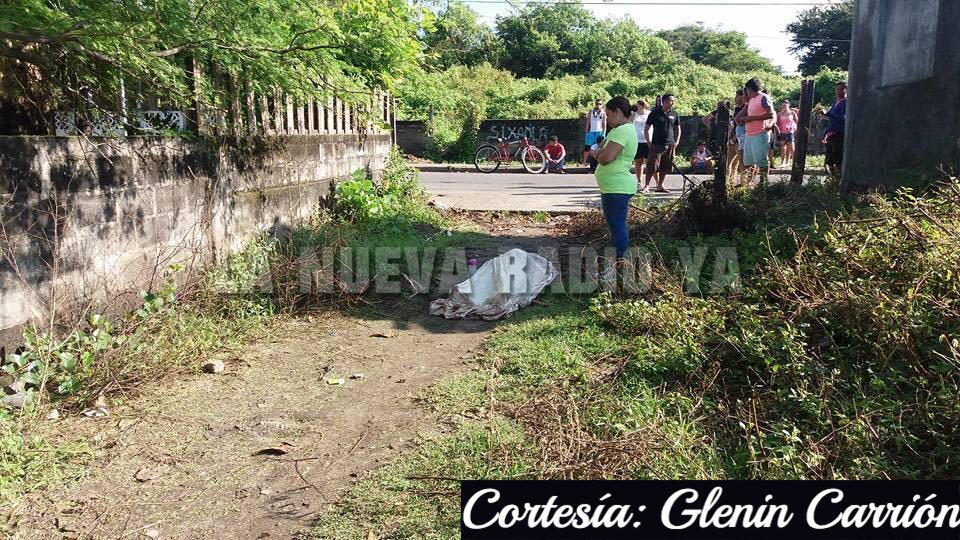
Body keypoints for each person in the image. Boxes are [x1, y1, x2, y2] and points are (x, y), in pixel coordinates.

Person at [594, 96, 638, 266]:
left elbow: (605, 157)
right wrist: (599, 151)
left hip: (617, 187)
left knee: (617, 225)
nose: (607, 119)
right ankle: (620, 261)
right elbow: (600, 148)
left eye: (608, 114)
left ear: (618, 112)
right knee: (615, 225)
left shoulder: (622, 130)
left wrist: (598, 153)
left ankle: (621, 262)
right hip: (612, 187)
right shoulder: (618, 129)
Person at [738, 78, 775, 186]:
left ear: (749, 88)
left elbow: (771, 114)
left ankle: (764, 183)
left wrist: (751, 118)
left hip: (760, 133)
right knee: (748, 162)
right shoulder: (752, 100)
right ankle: (749, 184)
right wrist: (744, 119)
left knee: (761, 160)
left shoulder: (763, 98)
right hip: (749, 134)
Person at [643, 93, 681, 193]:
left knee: (665, 166)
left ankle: (660, 185)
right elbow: (646, 128)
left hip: (670, 144)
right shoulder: (655, 113)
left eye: (673, 101)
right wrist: (648, 142)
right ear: (664, 101)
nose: (672, 103)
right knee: (652, 165)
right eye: (671, 101)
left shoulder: (674, 113)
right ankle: (646, 186)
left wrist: (676, 141)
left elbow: (678, 128)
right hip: (656, 144)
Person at [821, 81, 847, 178]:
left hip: (839, 134)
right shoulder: (835, 102)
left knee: (838, 160)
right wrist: (826, 132)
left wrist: (827, 113)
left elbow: (843, 117)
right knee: (829, 161)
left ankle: (839, 181)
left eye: (841, 89)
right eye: (837, 89)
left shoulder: (846, 102)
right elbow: (832, 118)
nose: (838, 91)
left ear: (846, 90)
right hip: (831, 133)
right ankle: (834, 180)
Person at [631, 99, 650, 188]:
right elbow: (630, 123)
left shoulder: (649, 114)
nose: (637, 107)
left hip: (648, 141)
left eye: (638, 105)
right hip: (637, 141)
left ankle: (650, 183)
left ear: (643, 106)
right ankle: (639, 181)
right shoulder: (634, 114)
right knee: (638, 162)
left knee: (649, 162)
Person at [583, 99, 607, 163]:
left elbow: (604, 123)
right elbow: (588, 122)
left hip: (599, 132)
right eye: (597, 103)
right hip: (591, 131)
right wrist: (586, 132)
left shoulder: (603, 113)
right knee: (587, 147)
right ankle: (584, 162)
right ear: (595, 104)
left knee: (598, 147)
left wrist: (604, 133)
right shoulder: (591, 111)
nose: (598, 105)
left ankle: (597, 161)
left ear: (602, 105)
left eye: (600, 104)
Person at [777, 100, 798, 168]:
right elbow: (777, 123)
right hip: (782, 132)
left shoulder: (792, 113)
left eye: (785, 105)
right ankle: (783, 161)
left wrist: (795, 128)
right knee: (783, 147)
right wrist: (777, 131)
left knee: (791, 147)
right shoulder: (779, 114)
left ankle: (791, 162)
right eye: (782, 105)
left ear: (788, 105)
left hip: (790, 132)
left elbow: (797, 121)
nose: (783, 107)